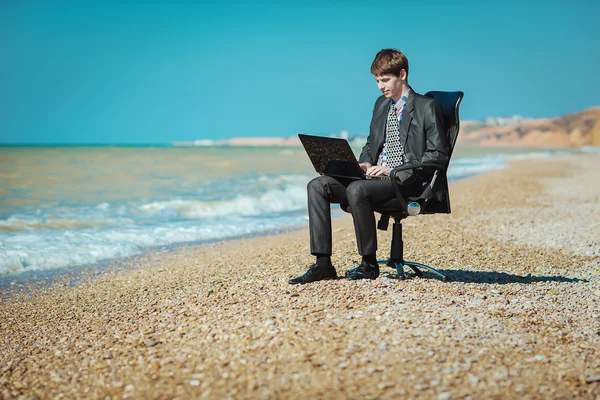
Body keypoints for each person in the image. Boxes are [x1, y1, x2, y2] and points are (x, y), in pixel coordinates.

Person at [289, 48, 450, 284]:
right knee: (318, 185)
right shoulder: (381, 104)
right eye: (377, 80)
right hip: (374, 180)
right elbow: (371, 143)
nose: (380, 86)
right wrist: (364, 163)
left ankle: (369, 263)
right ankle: (323, 264)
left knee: (357, 190)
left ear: (402, 74)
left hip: (406, 182)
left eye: (385, 80)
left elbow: (438, 155)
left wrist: (392, 170)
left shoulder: (427, 106)